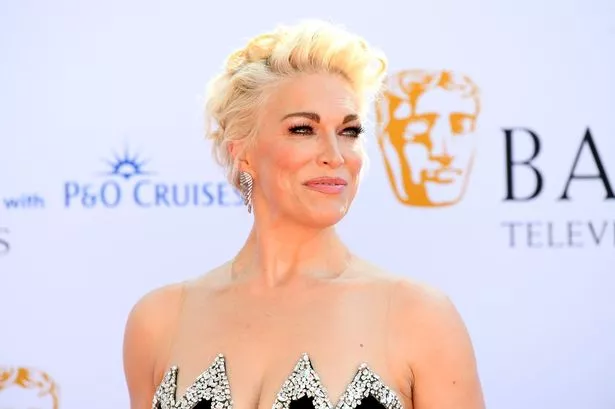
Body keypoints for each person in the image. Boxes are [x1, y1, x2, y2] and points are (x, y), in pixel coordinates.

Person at [123, 19, 485, 409]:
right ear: (242, 152)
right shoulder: (160, 320)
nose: (334, 154)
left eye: (349, 131)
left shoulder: (420, 317)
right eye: (302, 129)